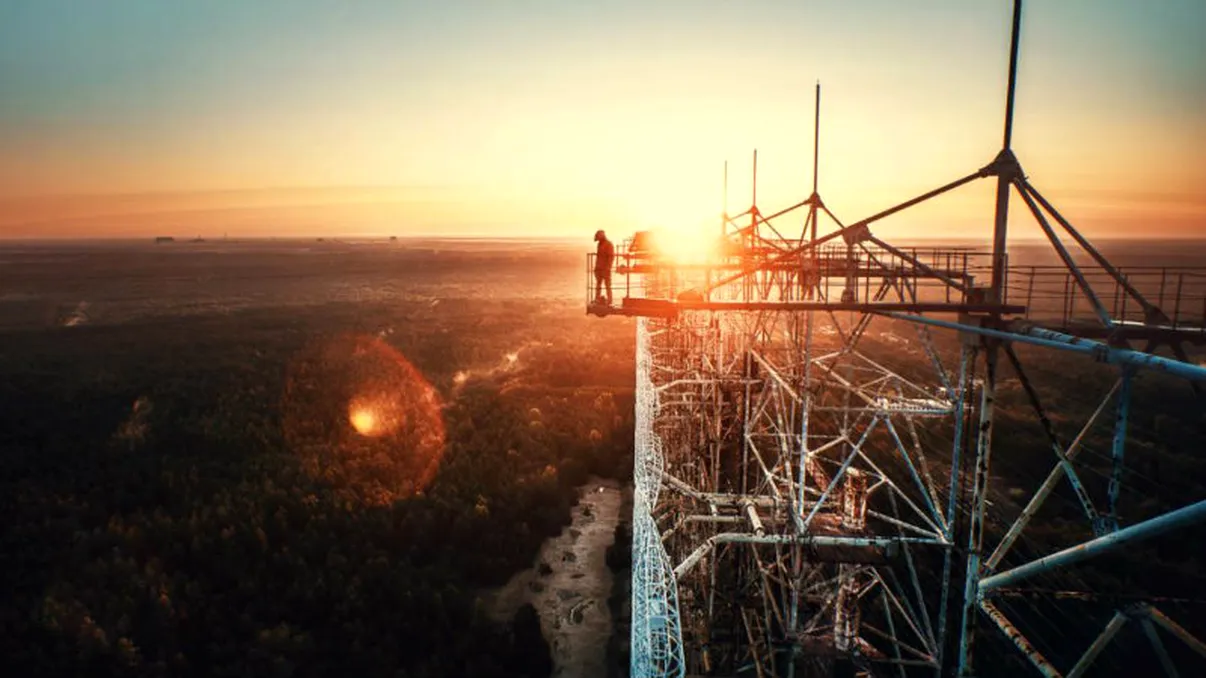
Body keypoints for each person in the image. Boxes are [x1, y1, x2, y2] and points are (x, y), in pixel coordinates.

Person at [594, 229, 615, 305]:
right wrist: (596, 268)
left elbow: (611, 257)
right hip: (599, 269)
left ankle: (609, 300)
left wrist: (608, 267)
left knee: (607, 285)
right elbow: (599, 257)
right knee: (598, 285)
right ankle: (597, 298)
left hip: (605, 269)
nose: (598, 239)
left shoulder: (608, 244)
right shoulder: (600, 244)